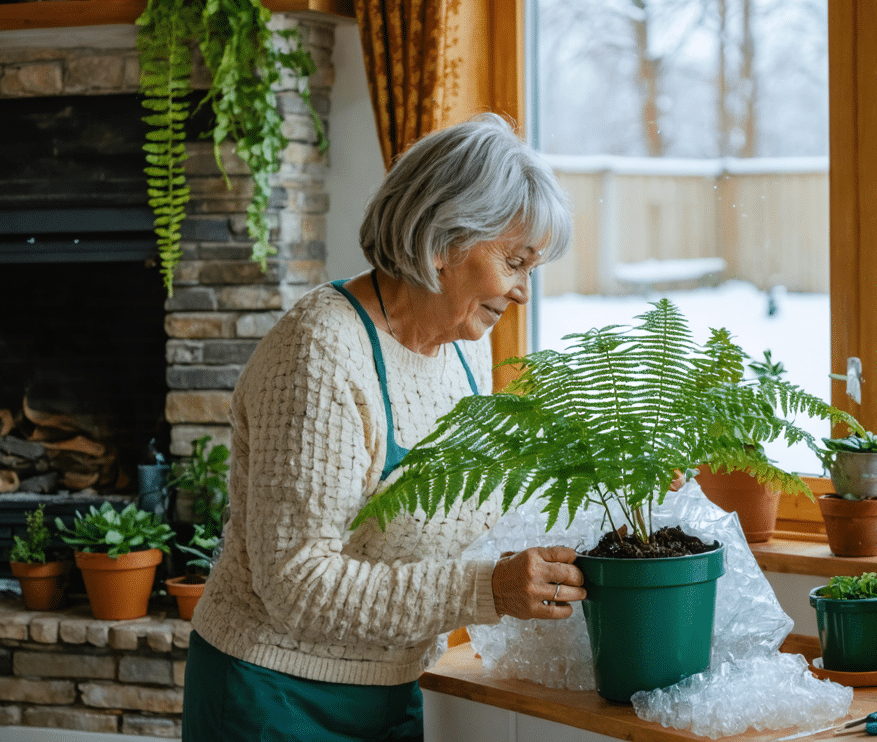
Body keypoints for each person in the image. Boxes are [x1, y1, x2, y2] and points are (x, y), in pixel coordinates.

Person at [182, 114, 582, 742]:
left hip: (396, 687)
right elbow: (299, 585)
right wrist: (489, 589)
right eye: (514, 261)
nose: (522, 292)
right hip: (275, 693)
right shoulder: (320, 352)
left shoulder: (463, 347)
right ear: (442, 242)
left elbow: (465, 503)